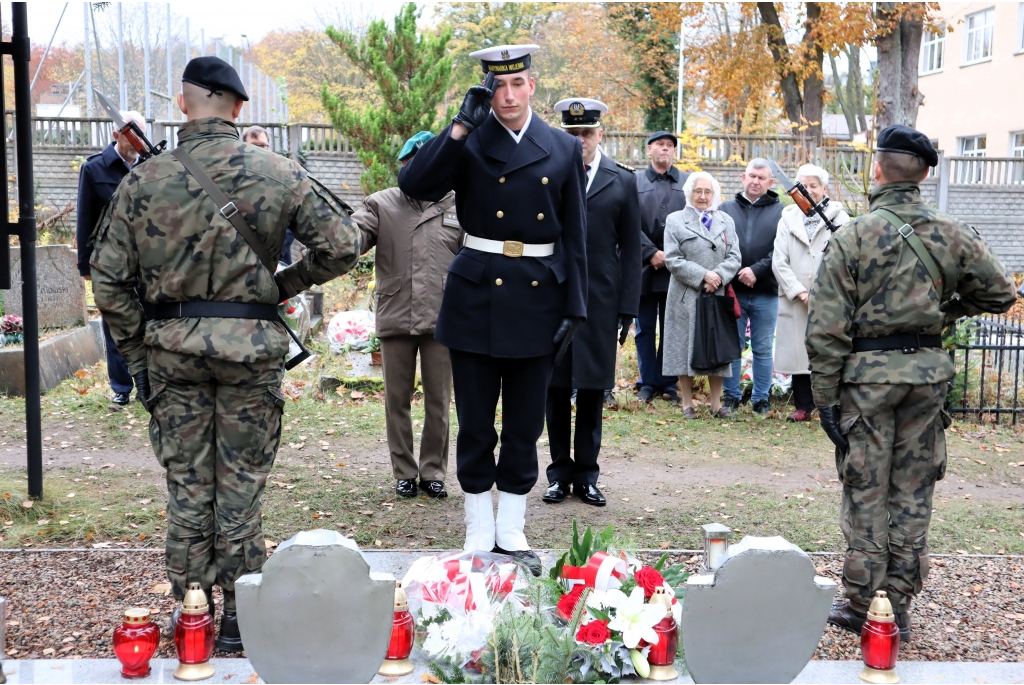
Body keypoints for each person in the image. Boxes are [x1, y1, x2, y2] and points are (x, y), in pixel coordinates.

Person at [90, 56, 361, 651]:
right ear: (239, 108)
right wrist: (281, 285)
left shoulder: (143, 179)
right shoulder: (278, 170)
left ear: (183, 105)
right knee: (240, 487)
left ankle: (192, 617)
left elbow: (107, 280)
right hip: (250, 356)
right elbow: (343, 244)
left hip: (171, 356)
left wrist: (138, 353)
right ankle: (241, 618)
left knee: (189, 486)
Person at [809, 125, 1016, 642]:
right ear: (924, 174)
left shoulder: (853, 235)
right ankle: (896, 603)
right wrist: (942, 313)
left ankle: (863, 602)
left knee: (865, 485)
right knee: (912, 487)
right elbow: (1001, 294)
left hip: (867, 382)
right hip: (926, 380)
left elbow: (827, 327)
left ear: (877, 170)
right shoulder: (953, 232)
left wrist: (825, 398)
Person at [398, 44, 587, 576]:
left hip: (538, 295)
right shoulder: (470, 138)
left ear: (533, 87)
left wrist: (576, 304)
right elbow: (414, 186)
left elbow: (576, 234)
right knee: (477, 419)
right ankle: (479, 522)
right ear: (487, 88)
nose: (508, 96)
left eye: (518, 84)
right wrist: (458, 128)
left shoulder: (561, 147)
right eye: (498, 86)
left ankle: (512, 523)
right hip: (476, 292)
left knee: (525, 421)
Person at [351, 131, 461, 500]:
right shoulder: (382, 204)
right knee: (395, 400)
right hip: (396, 312)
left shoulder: (459, 206)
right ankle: (403, 471)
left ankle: (433, 471)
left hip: (443, 316)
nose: (413, 170)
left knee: (438, 400)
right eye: (408, 164)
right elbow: (353, 235)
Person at [543, 98, 641, 507]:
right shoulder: (546, 175)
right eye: (572, 133)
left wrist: (627, 308)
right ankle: (557, 473)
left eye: (586, 133)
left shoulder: (622, 180)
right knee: (554, 388)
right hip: (552, 297)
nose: (580, 140)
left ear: (600, 134)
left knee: (591, 390)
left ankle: (586, 475)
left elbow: (632, 248)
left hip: (600, 301)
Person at [75, 109, 147, 407]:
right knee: (115, 324)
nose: (138, 141)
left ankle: (150, 383)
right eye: (132, 134)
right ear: (116, 134)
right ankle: (121, 386)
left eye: (141, 134)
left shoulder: (153, 166)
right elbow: (85, 218)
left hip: (148, 261)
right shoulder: (95, 169)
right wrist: (86, 265)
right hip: (110, 262)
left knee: (151, 319)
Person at [771, 164, 849, 422]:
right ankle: (803, 406)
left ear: (824, 188)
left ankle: (829, 406)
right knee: (799, 351)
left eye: (813, 185)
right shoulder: (788, 216)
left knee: (828, 351)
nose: (808, 190)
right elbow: (779, 261)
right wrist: (799, 292)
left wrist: (824, 293)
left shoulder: (839, 217)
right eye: (803, 186)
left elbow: (846, 258)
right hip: (797, 300)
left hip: (828, 299)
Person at [662, 172, 741, 418]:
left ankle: (717, 404)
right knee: (683, 347)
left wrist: (717, 276)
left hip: (716, 293)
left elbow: (735, 256)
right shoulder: (675, 220)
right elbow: (672, 259)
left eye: (708, 192)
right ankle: (687, 403)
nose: (703, 196)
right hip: (685, 295)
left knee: (717, 348)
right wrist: (704, 275)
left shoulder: (726, 220)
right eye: (698, 191)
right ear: (689, 194)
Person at [720, 158, 783, 415]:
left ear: (770, 182)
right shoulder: (725, 209)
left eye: (761, 178)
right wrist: (737, 272)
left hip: (766, 290)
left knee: (763, 348)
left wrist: (756, 270)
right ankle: (731, 396)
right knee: (731, 346)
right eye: (752, 176)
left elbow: (781, 249)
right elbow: (719, 246)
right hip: (733, 291)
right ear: (743, 178)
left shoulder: (782, 213)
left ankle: (761, 398)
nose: (756, 181)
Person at [635, 132, 689, 404]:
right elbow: (627, 222)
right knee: (644, 328)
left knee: (672, 328)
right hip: (643, 268)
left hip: (676, 271)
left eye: (670, 146)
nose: (665, 150)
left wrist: (671, 255)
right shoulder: (634, 181)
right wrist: (650, 252)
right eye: (660, 145)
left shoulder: (687, 182)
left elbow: (693, 223)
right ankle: (646, 382)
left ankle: (668, 382)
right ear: (649, 150)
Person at [242, 125, 296, 269]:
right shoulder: (235, 178)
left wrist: (277, 256)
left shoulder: (283, 177)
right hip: (242, 263)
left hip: (278, 261)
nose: (259, 149)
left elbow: (292, 218)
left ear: (269, 148)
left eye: (263, 145)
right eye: (253, 145)